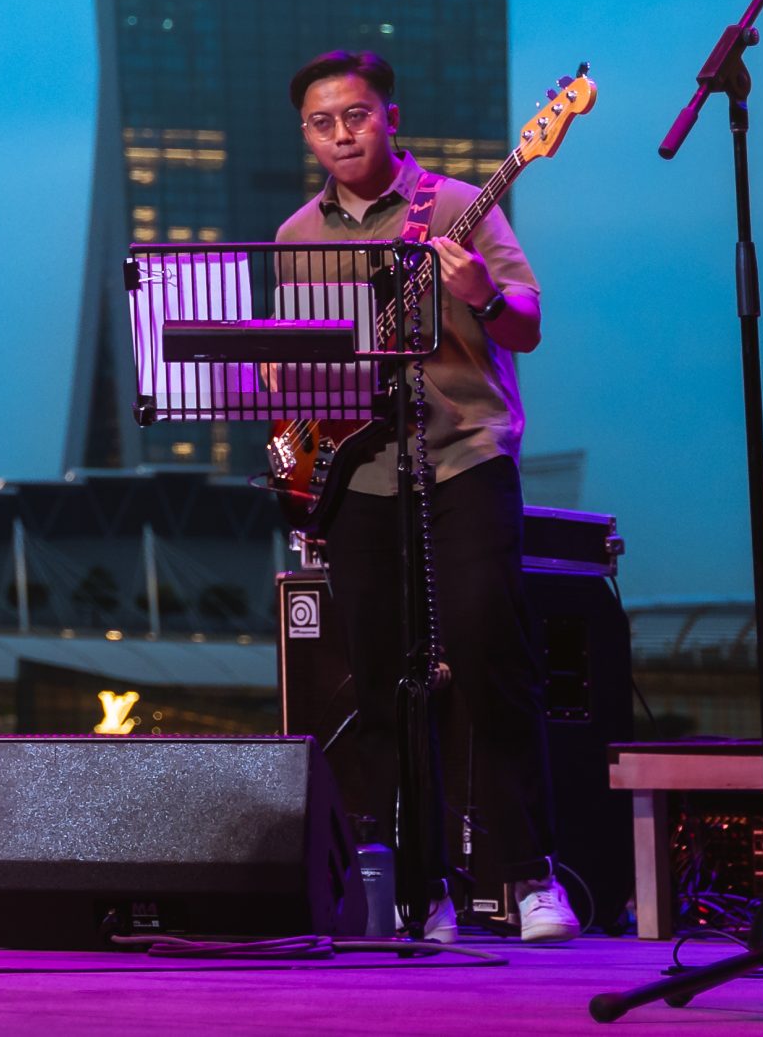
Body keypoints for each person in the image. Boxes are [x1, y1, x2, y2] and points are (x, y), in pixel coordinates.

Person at [275, 49, 576, 944]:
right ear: (307, 133)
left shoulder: (450, 207)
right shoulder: (295, 236)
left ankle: (527, 875)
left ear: (390, 117)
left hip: (463, 457)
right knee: (379, 682)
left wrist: (481, 295)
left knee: (491, 653)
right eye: (323, 122)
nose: (341, 134)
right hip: (359, 473)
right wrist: (291, 433)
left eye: (357, 116)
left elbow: (527, 320)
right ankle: (414, 890)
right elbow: (303, 365)